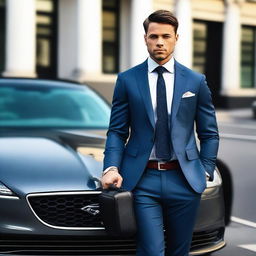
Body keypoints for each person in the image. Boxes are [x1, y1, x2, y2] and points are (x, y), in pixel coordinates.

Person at [101, 9, 219, 256]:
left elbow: (209, 133)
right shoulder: (127, 80)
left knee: (179, 251)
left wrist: (205, 169)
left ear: (177, 37)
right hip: (143, 180)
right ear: (145, 38)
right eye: (153, 36)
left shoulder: (195, 81)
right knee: (152, 251)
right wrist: (111, 167)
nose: (159, 42)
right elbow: (117, 131)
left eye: (166, 36)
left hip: (184, 179)